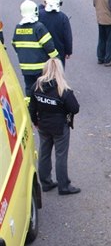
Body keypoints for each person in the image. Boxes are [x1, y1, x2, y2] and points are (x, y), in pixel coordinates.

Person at [28, 57, 80, 195]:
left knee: (44, 153)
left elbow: (32, 108)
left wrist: (35, 122)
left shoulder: (36, 87)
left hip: (43, 125)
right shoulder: (63, 89)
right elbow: (75, 108)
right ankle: (64, 186)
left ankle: (45, 182)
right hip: (59, 127)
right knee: (61, 155)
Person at [12, 0, 59, 97]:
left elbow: (14, 44)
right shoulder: (39, 27)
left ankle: (30, 109)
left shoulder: (18, 28)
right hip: (41, 67)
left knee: (29, 89)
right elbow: (49, 46)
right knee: (43, 89)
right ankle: (43, 108)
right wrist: (56, 58)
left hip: (25, 68)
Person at [38, 0, 73, 67]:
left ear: (45, 1)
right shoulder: (63, 17)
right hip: (59, 53)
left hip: (42, 52)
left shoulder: (38, 15)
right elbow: (67, 37)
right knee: (58, 76)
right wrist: (68, 51)